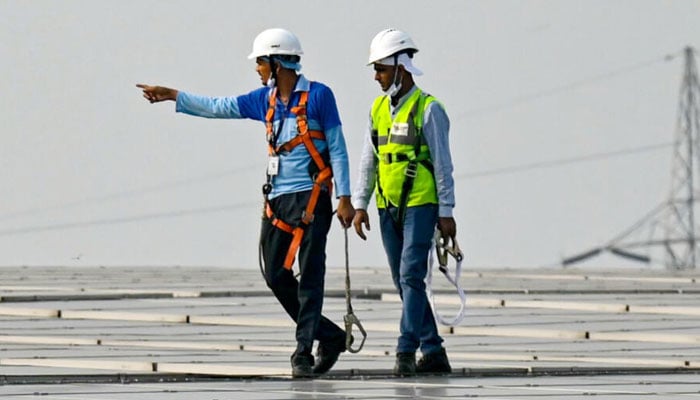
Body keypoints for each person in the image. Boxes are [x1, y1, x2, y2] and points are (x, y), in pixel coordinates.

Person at [136, 28, 355, 378]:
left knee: (311, 276)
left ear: (275, 63)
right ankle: (329, 336)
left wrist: (345, 198)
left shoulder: (319, 97)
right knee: (276, 276)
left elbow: (338, 148)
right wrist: (173, 96)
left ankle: (302, 351)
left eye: (260, 63)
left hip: (313, 199)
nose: (256, 69)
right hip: (278, 201)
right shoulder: (263, 100)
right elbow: (218, 107)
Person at [352, 28, 456, 376]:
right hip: (387, 205)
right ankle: (433, 349)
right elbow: (370, 159)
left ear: (401, 66)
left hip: (421, 204)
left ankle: (405, 349)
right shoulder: (378, 109)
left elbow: (443, 164)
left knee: (412, 275)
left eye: (381, 69)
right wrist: (360, 203)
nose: (376, 76)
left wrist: (447, 211)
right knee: (402, 280)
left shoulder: (429, 109)